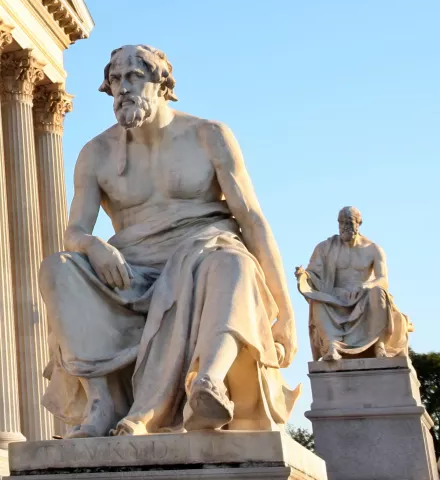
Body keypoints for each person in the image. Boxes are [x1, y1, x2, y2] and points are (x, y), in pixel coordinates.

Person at [39, 44, 300, 438]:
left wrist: (286, 311)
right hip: (131, 269)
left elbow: (251, 218)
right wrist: (94, 246)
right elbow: (75, 231)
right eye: (114, 80)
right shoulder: (95, 153)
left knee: (230, 261)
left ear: (162, 84)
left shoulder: (207, 135)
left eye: (133, 77)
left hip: (204, 250)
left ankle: (206, 382)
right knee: (59, 268)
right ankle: (101, 402)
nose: (122, 89)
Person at [295, 206, 412, 361]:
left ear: (358, 223)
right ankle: (332, 346)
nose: (344, 227)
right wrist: (304, 276)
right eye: (341, 223)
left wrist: (367, 286)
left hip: (363, 297)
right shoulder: (325, 247)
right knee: (317, 300)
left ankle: (379, 345)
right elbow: (314, 275)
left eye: (349, 222)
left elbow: (383, 279)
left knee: (378, 293)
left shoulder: (373, 249)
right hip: (336, 298)